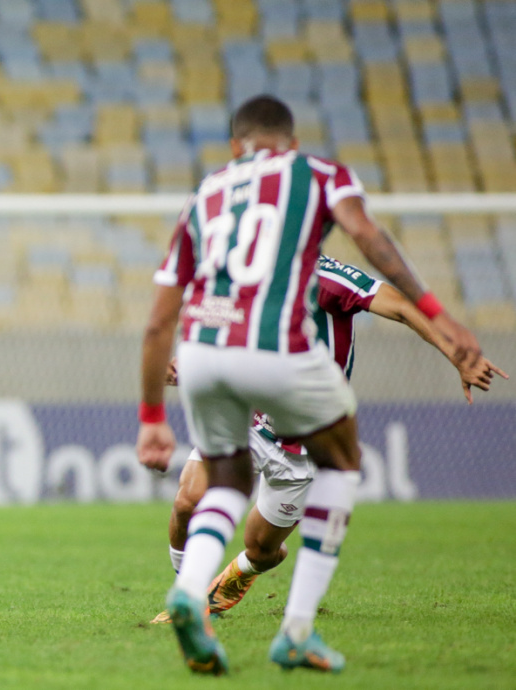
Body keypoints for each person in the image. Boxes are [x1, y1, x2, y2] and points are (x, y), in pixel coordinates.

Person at [135, 95, 483, 675]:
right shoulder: (319, 173)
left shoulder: (209, 192)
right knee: (342, 465)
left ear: (234, 147)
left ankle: (200, 588)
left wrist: (151, 414)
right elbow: (371, 239)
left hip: (210, 354)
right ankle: (291, 628)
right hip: (278, 365)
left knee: (251, 534)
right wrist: (443, 318)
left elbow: (158, 317)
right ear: (291, 144)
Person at [149, 255, 506, 625]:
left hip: (306, 443)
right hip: (247, 417)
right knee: (188, 500)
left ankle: (240, 576)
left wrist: (457, 355)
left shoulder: (329, 280)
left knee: (261, 549)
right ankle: (190, 599)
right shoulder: (241, 274)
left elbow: (400, 306)